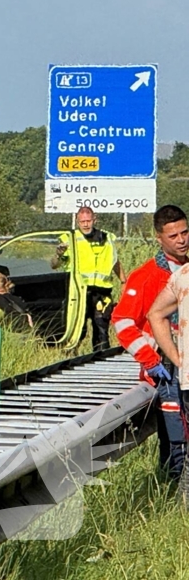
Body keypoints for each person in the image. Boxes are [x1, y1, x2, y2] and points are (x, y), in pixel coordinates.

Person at [123, 205, 189, 479]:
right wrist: (151, 360)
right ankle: (174, 491)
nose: (182, 240)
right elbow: (124, 323)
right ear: (159, 238)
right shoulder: (146, 276)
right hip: (165, 368)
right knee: (175, 437)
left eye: (185, 233)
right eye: (173, 236)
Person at [52, 206, 126, 352]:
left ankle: (102, 360)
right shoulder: (69, 239)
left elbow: (115, 262)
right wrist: (59, 254)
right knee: (77, 329)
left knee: (101, 329)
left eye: (88, 221)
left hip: (102, 292)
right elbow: (54, 265)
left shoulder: (107, 238)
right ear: (77, 221)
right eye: (82, 221)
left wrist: (124, 281)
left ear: (94, 219)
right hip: (78, 293)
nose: (86, 224)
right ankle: (70, 358)